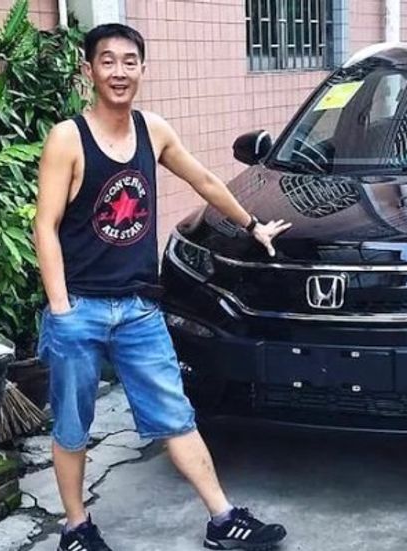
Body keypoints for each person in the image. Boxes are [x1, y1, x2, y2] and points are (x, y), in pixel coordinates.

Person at [33, 23, 291, 551]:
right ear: (89, 71)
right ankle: (76, 530)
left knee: (175, 415)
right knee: (72, 426)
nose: (119, 72)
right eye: (107, 61)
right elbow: (45, 224)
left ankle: (223, 520)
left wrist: (252, 225)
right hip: (79, 307)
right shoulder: (68, 138)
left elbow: (204, 181)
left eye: (129, 61)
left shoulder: (153, 131)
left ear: (142, 70)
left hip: (138, 310)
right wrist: (60, 308)